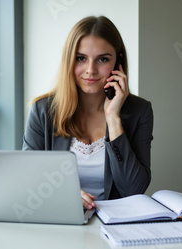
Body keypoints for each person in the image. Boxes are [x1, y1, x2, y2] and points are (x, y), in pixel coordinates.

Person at [22, 16, 153, 210]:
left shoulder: (139, 111)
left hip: (115, 226)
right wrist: (65, 195)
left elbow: (133, 190)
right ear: (69, 60)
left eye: (103, 59)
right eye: (81, 58)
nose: (90, 70)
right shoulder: (43, 111)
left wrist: (113, 119)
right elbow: (28, 182)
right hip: (59, 220)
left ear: (118, 62)